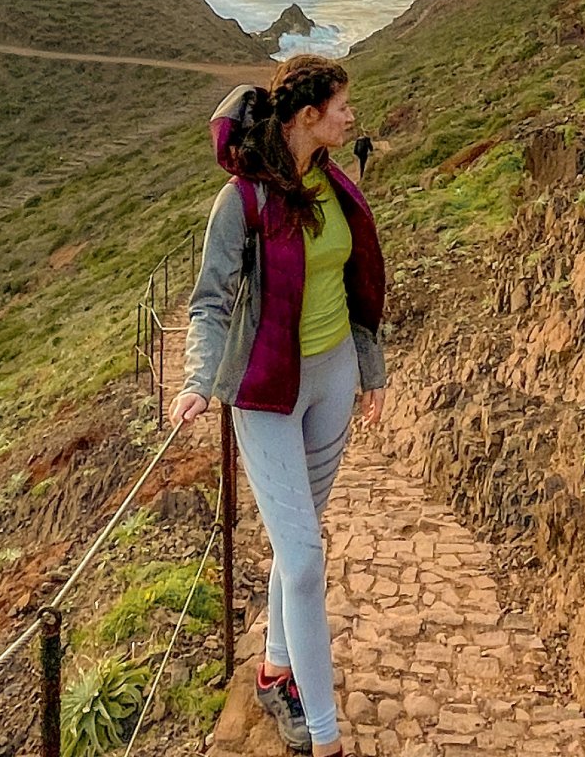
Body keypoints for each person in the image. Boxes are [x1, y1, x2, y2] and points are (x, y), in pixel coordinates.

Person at [168, 55, 387, 757]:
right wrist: (197, 381)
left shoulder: (332, 183)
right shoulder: (242, 201)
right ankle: (324, 736)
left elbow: (357, 286)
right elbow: (209, 302)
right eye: (342, 105)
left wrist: (371, 372)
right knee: (304, 561)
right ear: (307, 117)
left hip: (333, 380)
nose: (351, 115)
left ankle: (273, 670)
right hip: (265, 395)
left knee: (301, 545)